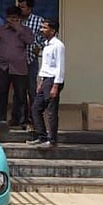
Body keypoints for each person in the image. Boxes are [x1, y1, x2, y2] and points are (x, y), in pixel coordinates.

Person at [0, 6, 33, 124]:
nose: (12, 21)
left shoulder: (25, 30)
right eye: (9, 18)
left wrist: (18, 29)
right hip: (3, 66)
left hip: (19, 67)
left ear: (19, 18)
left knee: (20, 95)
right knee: (1, 93)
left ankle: (18, 120)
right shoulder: (2, 30)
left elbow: (29, 41)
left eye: (14, 18)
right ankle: (0, 119)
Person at [29, 19, 65, 148]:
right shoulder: (46, 44)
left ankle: (52, 140)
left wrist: (56, 85)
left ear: (53, 30)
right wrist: (41, 81)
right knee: (35, 108)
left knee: (51, 111)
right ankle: (41, 136)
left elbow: (60, 67)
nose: (41, 30)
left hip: (53, 80)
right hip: (46, 80)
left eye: (45, 27)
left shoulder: (58, 45)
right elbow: (45, 65)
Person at [18, 0, 45, 128]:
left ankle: (34, 118)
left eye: (23, 7)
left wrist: (38, 47)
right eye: (19, 7)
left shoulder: (38, 21)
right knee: (19, 91)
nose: (20, 9)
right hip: (17, 61)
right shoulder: (17, 21)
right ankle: (21, 118)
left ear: (29, 8)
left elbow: (46, 37)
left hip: (30, 59)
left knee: (32, 89)